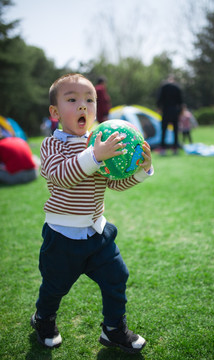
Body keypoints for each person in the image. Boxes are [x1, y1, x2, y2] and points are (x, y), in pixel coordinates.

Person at [31, 73, 153, 354]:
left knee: (117, 276)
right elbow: (61, 176)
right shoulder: (52, 145)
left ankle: (113, 329)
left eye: (89, 100)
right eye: (72, 100)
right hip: (62, 236)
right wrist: (95, 156)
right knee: (54, 286)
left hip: (98, 233)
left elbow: (114, 183)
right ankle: (44, 318)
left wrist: (141, 170)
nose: (83, 106)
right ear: (55, 112)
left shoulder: (100, 140)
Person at [156, 75, 183, 154]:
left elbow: (159, 99)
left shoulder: (164, 87)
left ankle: (163, 148)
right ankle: (175, 148)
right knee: (175, 130)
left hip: (166, 110)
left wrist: (159, 108)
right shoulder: (177, 87)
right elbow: (180, 101)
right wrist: (180, 111)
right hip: (175, 111)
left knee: (164, 130)